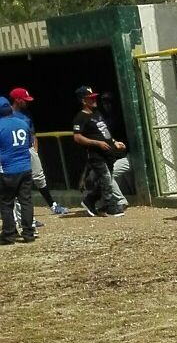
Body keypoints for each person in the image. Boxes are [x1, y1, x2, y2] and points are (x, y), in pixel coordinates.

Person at [7, 88, 69, 219]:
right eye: (24, 100)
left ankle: (52, 205)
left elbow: (33, 133)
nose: (27, 102)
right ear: (17, 100)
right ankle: (21, 217)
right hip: (14, 152)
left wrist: (35, 149)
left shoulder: (26, 114)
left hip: (28, 149)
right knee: (17, 182)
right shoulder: (7, 115)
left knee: (39, 178)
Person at [72, 86, 128, 216]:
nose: (94, 100)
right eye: (90, 98)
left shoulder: (97, 113)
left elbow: (105, 132)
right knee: (106, 178)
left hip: (108, 153)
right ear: (83, 101)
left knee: (105, 181)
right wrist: (97, 143)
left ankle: (89, 200)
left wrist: (115, 142)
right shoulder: (80, 117)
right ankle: (110, 207)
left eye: (93, 97)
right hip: (96, 154)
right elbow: (77, 137)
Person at [0, 96, 37, 244]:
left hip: (8, 169)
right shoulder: (22, 123)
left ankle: (9, 235)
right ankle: (28, 233)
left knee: (6, 203)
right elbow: (30, 143)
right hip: (25, 167)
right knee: (26, 201)